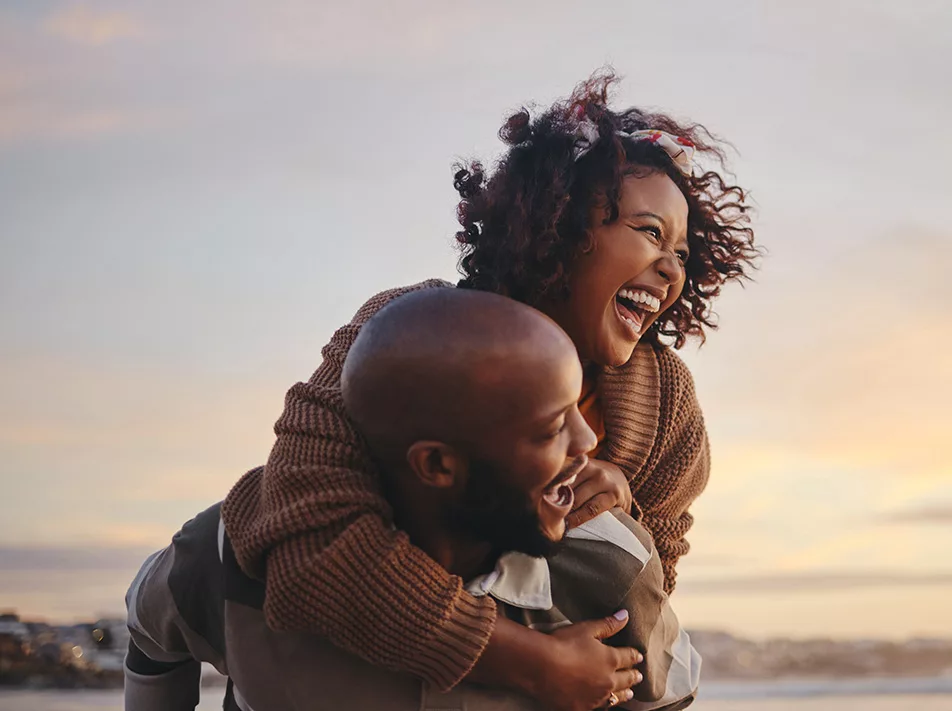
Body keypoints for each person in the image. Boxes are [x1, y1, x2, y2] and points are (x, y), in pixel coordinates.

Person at [221, 69, 758, 711]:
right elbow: (310, 542)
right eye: (648, 231)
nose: (672, 268)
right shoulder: (405, 333)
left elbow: (646, 599)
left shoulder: (665, 400)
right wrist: (529, 662)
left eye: (682, 248)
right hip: (341, 671)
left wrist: (626, 516)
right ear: (558, 226)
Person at [124, 289, 700, 711]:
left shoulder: (611, 567)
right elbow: (149, 629)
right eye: (552, 428)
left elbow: (666, 696)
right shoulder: (235, 552)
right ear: (437, 464)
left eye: (581, 407)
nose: (591, 442)